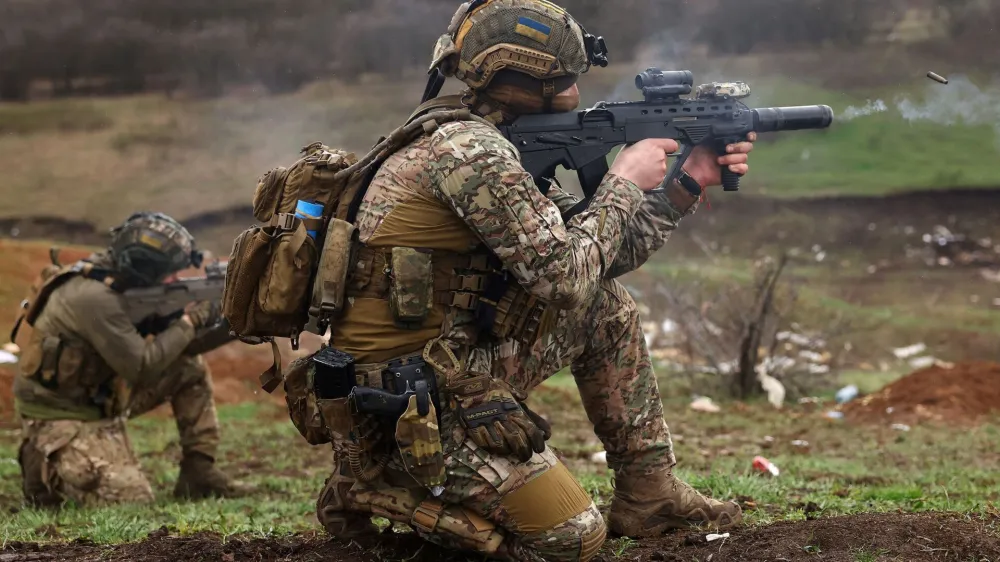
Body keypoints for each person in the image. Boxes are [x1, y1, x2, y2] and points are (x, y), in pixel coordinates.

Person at [310, 1, 755, 560]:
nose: (574, 89)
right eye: (565, 77)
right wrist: (621, 180)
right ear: (527, 82)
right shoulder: (472, 153)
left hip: (441, 368)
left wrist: (688, 180)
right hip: (409, 402)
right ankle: (380, 482)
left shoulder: (488, 142)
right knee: (575, 539)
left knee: (605, 307)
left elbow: (595, 258)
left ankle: (651, 494)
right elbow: (564, 277)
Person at [13, 212, 250, 507]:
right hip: (61, 413)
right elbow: (140, 368)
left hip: (100, 396)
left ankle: (198, 472)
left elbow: (184, 350)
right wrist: (189, 321)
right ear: (144, 270)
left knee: (188, 368)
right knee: (132, 501)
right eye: (170, 273)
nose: (177, 279)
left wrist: (234, 322)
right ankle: (44, 466)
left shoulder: (120, 282)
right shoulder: (94, 297)